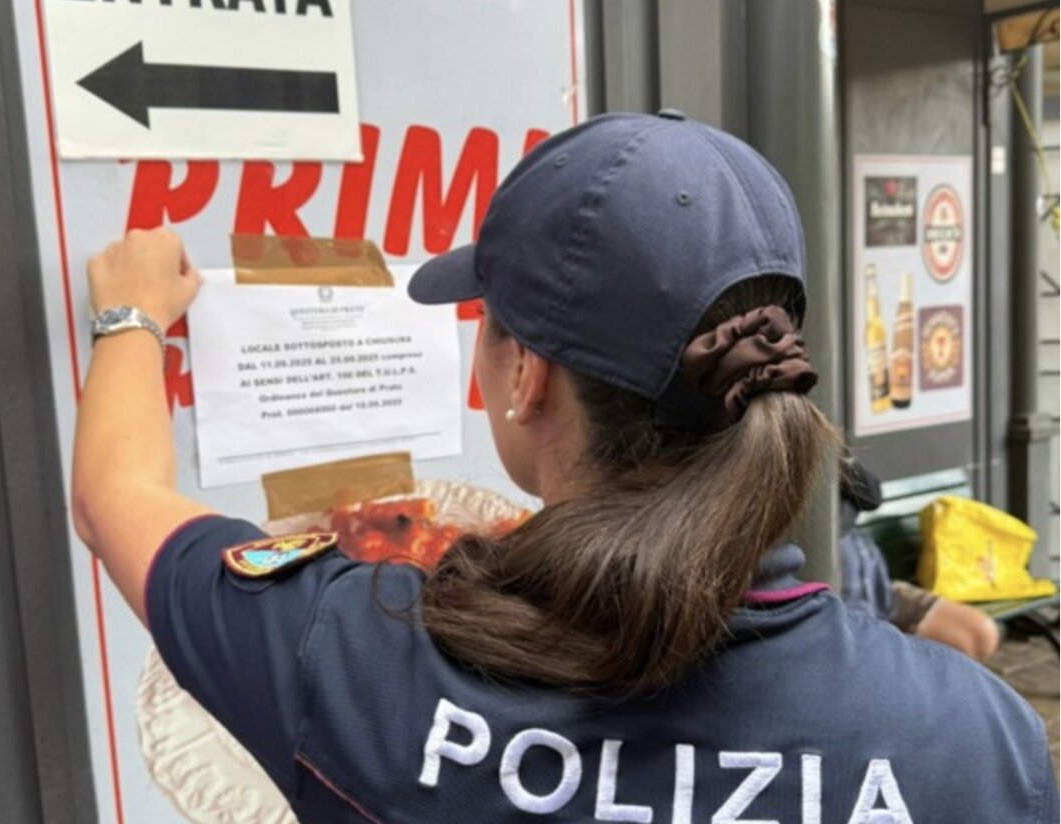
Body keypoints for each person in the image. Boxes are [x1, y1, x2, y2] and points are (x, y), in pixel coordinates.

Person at [73, 111, 1057, 823]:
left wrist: (132, 314)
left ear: (525, 374)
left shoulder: (359, 658)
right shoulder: (973, 736)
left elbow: (114, 495)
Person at [840, 457, 1001, 661]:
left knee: (979, 633)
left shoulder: (824, 454)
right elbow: (835, 525)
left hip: (879, 591)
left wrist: (840, 461)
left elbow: (871, 497)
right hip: (844, 612)